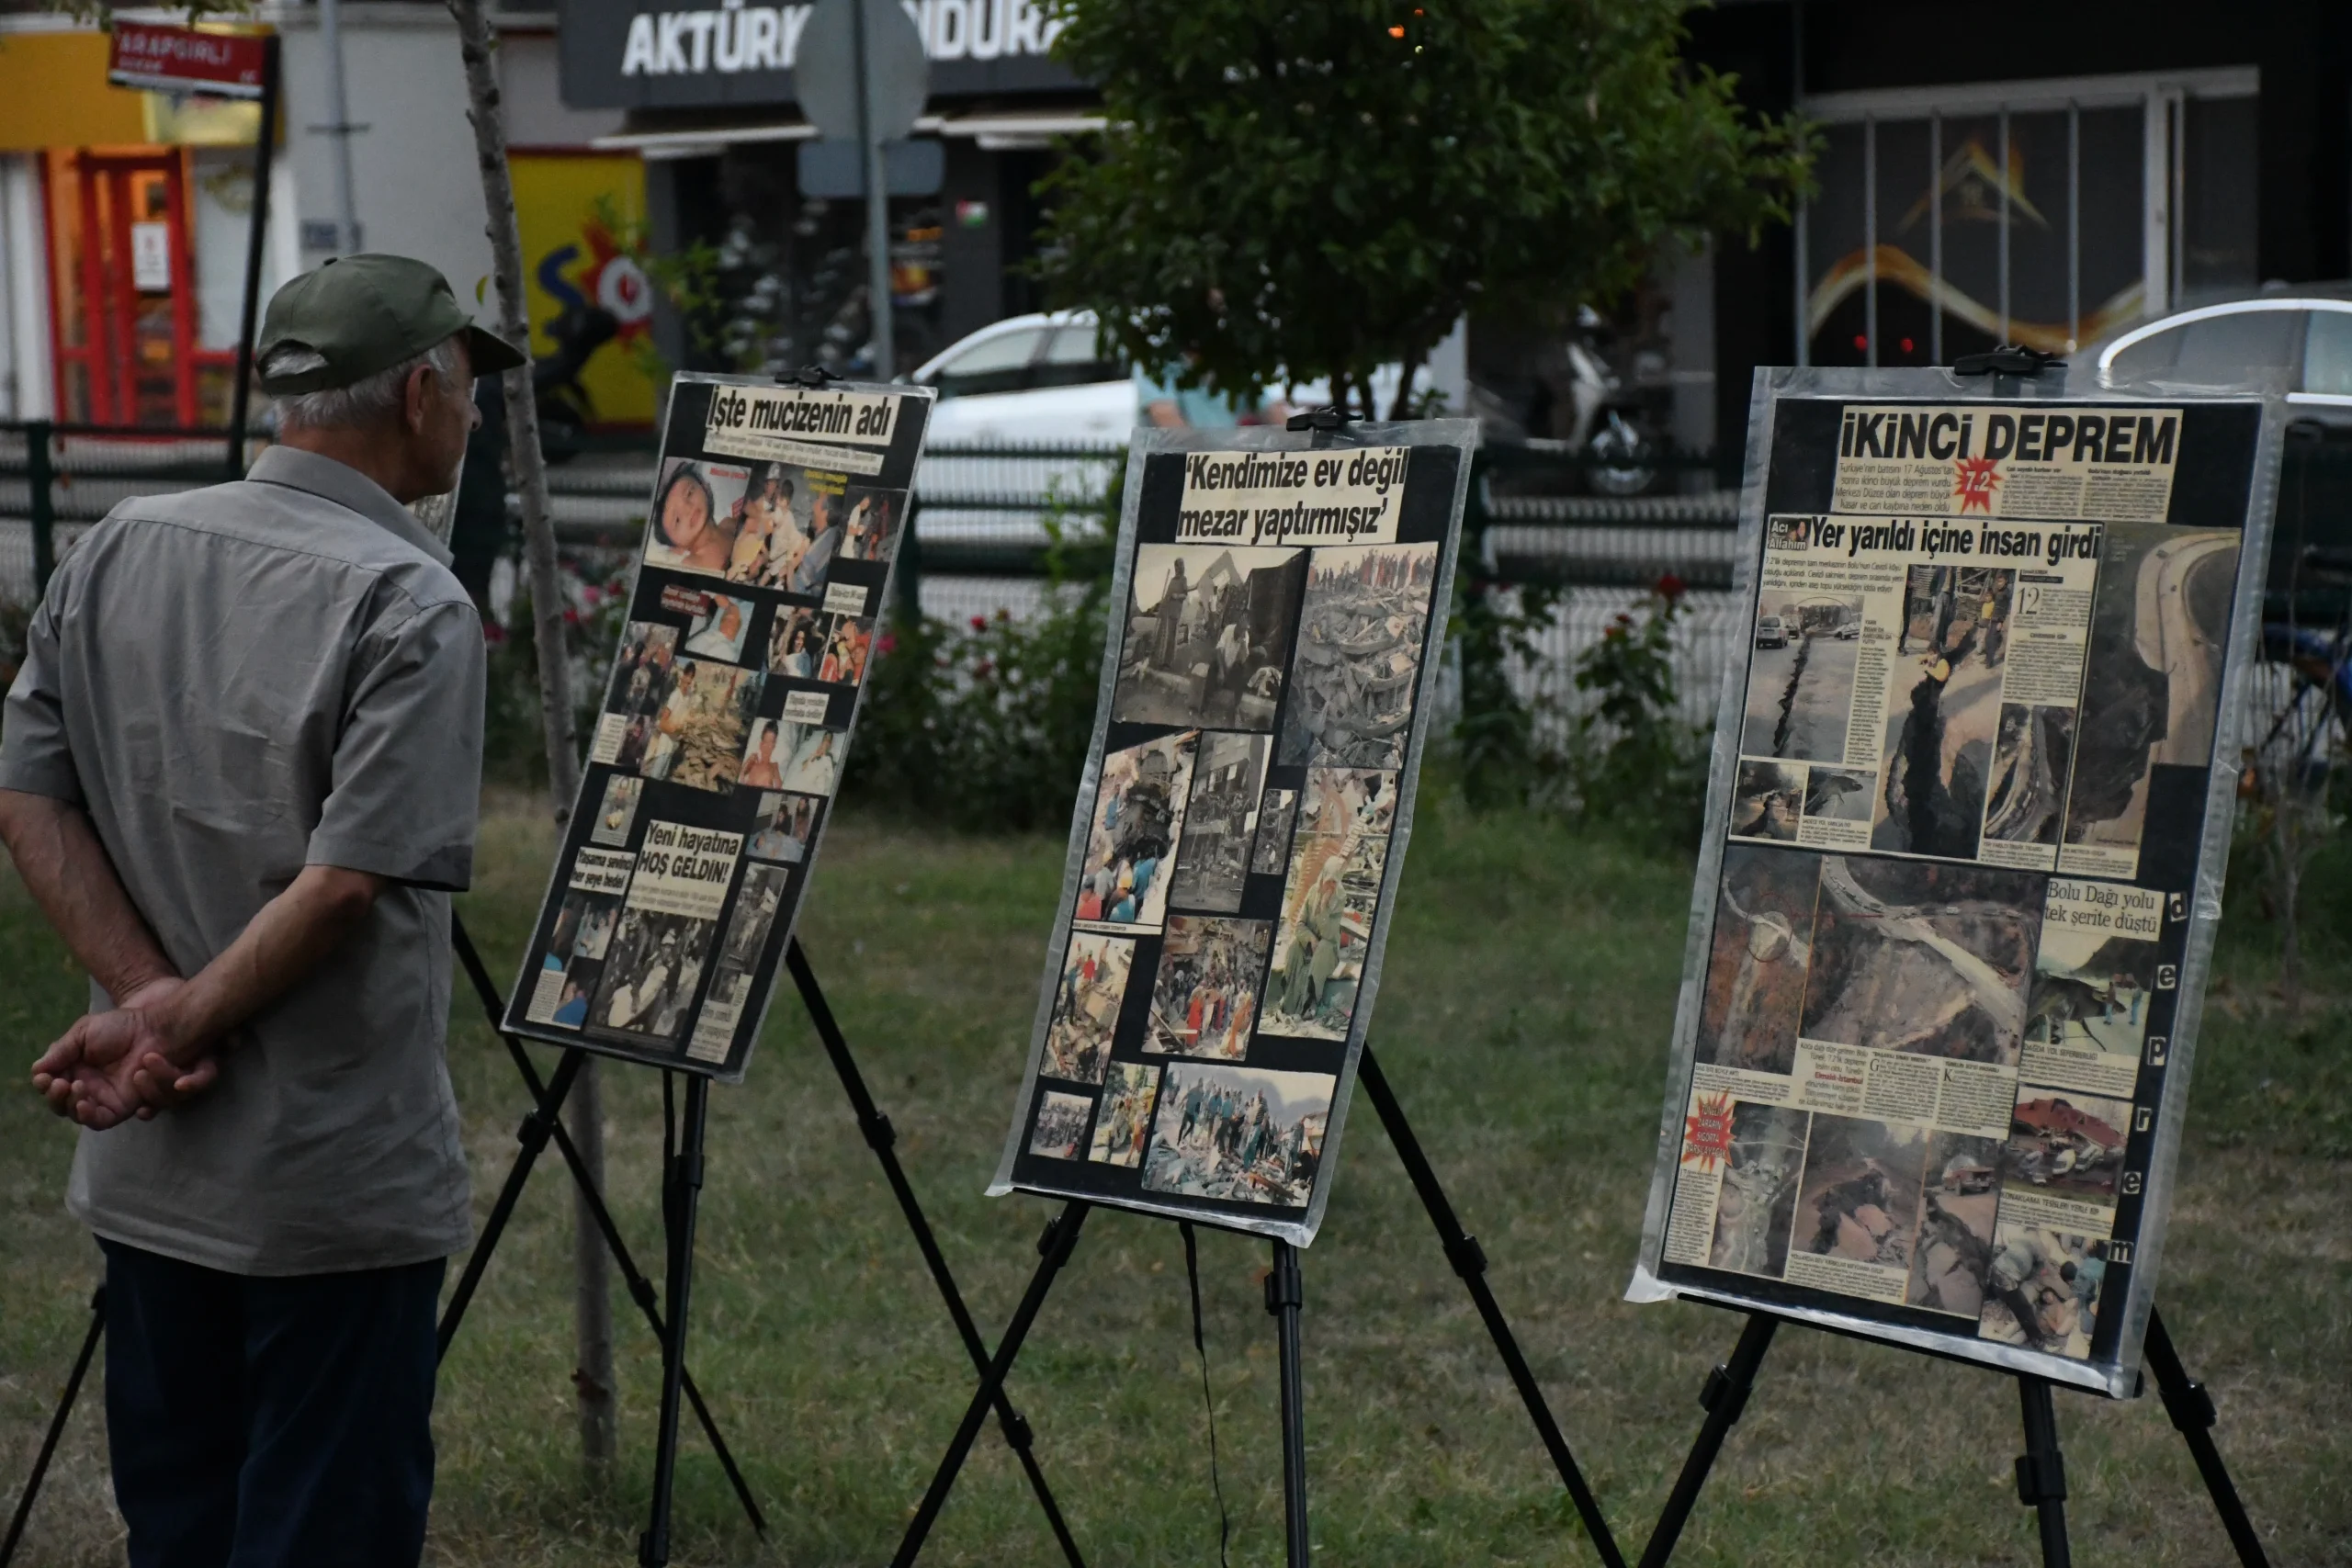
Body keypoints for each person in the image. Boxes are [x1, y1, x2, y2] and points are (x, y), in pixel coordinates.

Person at [0, 253, 519, 1568]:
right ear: (418, 391)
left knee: (178, 1517)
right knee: (323, 1524)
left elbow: (28, 794)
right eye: (466, 386)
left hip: (153, 1168)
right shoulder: (412, 596)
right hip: (327, 1180)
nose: (469, 413)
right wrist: (180, 1019)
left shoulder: (119, 546)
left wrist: (140, 1004)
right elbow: (347, 879)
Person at [648, 462, 734, 573]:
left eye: (689, 493)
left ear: (706, 488)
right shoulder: (691, 565)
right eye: (677, 520)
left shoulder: (730, 523)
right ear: (677, 549)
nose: (688, 508)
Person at [740, 724, 786, 789]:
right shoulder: (753, 763)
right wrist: (748, 760)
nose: (767, 747)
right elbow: (740, 777)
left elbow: (779, 788)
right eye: (765, 742)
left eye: (770, 743)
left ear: (774, 745)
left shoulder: (774, 766)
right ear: (761, 744)